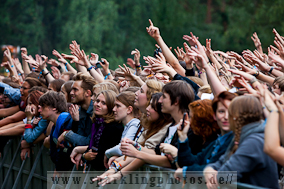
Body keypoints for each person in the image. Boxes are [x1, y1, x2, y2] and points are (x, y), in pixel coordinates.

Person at [203, 96, 279, 189]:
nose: (227, 117)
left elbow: (225, 175)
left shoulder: (254, 142)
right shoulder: (244, 135)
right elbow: (219, 163)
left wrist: (213, 176)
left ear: (234, 117)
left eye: (229, 113)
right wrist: (208, 170)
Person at [174, 91, 235, 179]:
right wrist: (183, 137)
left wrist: (186, 171)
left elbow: (219, 170)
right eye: (221, 111)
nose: (226, 116)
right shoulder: (216, 142)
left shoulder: (238, 140)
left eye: (230, 112)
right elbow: (189, 162)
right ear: (215, 116)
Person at [70, 90, 124, 171]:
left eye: (104, 103)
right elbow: (92, 148)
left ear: (111, 107)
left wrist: (84, 156)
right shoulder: (97, 123)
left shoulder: (114, 127)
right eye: (97, 101)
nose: (98, 105)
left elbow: (101, 154)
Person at [57, 73, 97, 146]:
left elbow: (89, 142)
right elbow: (79, 139)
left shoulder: (96, 112)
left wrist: (67, 135)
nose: (71, 93)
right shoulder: (80, 111)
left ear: (87, 93)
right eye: (71, 89)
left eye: (75, 90)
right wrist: (76, 122)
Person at [39, 91, 73, 171]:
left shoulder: (64, 119)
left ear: (54, 107)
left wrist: (59, 168)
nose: (39, 110)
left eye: (43, 106)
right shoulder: (55, 123)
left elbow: (67, 148)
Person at [104, 91, 140, 165]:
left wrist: (107, 153)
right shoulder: (128, 124)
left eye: (118, 106)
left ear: (129, 109)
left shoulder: (134, 124)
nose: (114, 109)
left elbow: (122, 148)